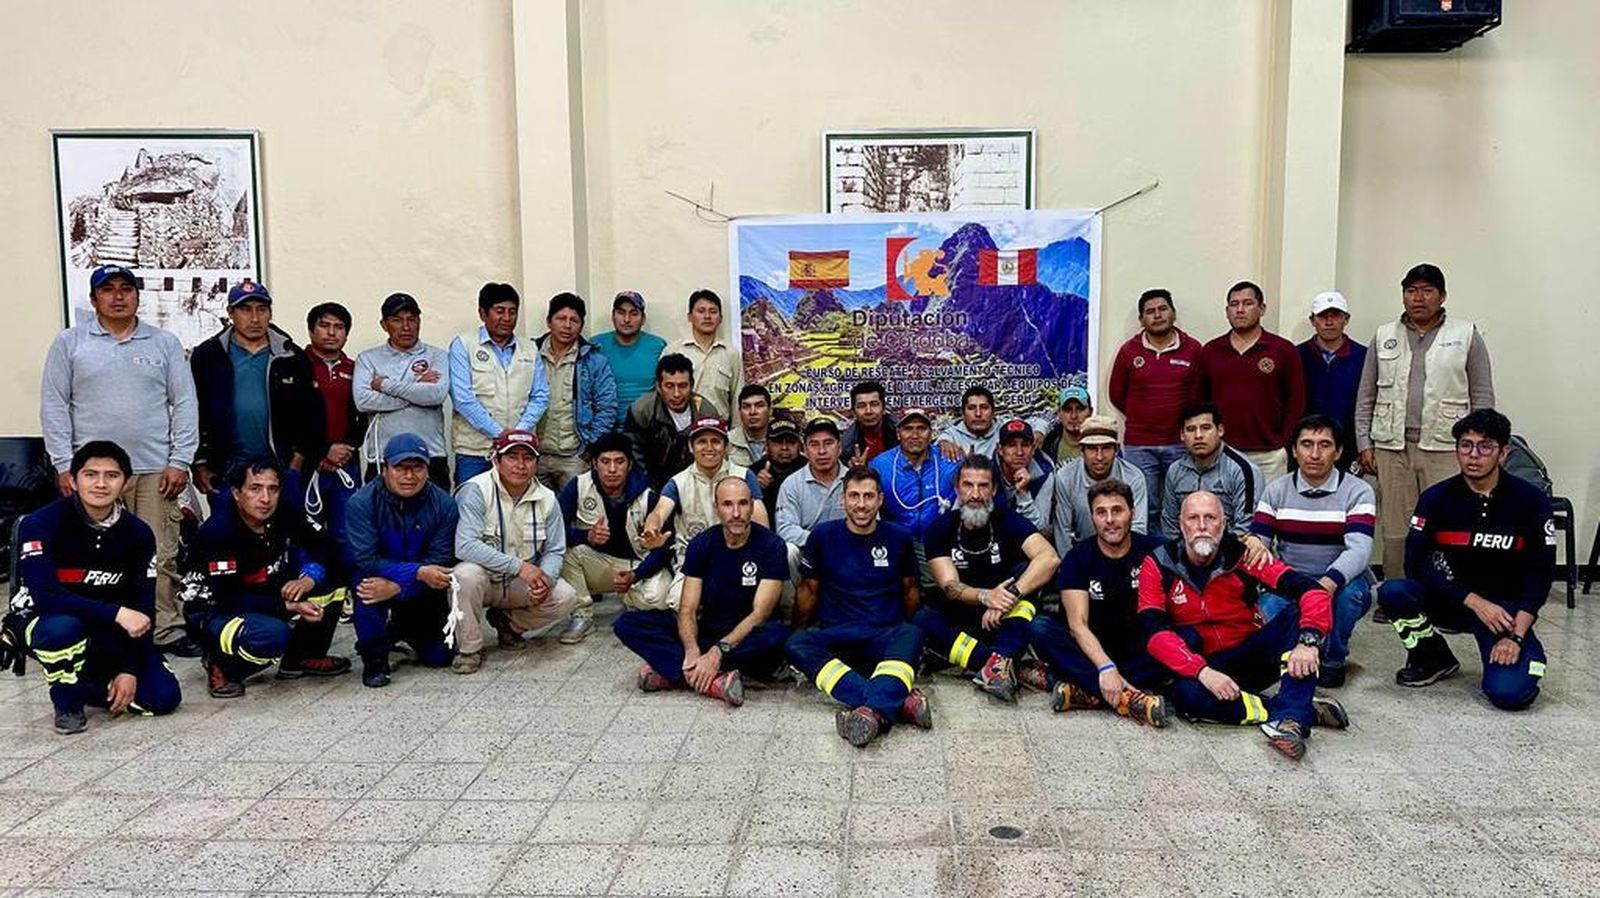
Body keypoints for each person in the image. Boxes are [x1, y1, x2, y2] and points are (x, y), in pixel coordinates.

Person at [40, 263, 200, 657]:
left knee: (160, 553)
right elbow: (54, 405)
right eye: (107, 289)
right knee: (95, 555)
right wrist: (64, 464)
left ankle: (164, 629)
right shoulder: (69, 343)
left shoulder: (163, 343)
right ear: (94, 299)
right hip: (93, 475)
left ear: (137, 296)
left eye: (125, 288)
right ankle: (101, 626)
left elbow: (184, 402)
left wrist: (180, 460)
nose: (117, 296)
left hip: (154, 470)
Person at [1137, 491, 1349, 760]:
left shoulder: (1246, 555)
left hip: (1253, 654)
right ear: (1181, 524)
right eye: (1193, 518)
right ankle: (1293, 708)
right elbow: (1154, 634)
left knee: (1298, 614)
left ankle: (1293, 721)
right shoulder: (1158, 563)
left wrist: (1308, 642)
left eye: (1210, 518)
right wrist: (1202, 671)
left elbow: (1313, 592)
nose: (1202, 526)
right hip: (1207, 666)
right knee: (1183, 696)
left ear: (1223, 523)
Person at [1375, 409, 1552, 711]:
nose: (1474, 455)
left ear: (1503, 453)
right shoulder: (1435, 498)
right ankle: (1432, 655)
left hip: (1504, 613)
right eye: (1465, 446)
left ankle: (1527, 658)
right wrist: (1471, 600)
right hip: (1453, 599)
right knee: (1393, 592)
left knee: (1509, 694)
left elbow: (1541, 574)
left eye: (1485, 447)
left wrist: (1517, 637)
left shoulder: (1531, 501)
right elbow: (1416, 563)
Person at [16, 441, 181, 733]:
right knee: (61, 630)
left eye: (112, 476)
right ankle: (67, 703)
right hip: (50, 622)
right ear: (73, 480)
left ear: (125, 482)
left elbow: (142, 609)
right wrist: (117, 613)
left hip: (108, 633)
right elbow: (46, 597)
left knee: (163, 698)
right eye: (91, 474)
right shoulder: (39, 523)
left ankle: (91, 684)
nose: (101, 484)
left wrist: (128, 669)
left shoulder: (139, 534)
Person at [1354, 263, 1495, 580]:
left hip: (1445, 448)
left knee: (1447, 524)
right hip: (1392, 447)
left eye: (1427, 290)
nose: (1418, 298)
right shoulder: (1384, 336)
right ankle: (1397, 595)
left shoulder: (1465, 335)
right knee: (1395, 527)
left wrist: (1478, 448)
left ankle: (1447, 597)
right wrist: (1365, 443)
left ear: (1442, 296)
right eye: (1411, 291)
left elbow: (1482, 395)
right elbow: (1366, 396)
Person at [786, 467, 931, 747]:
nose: (861, 504)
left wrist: (907, 635)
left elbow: (911, 589)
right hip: (838, 636)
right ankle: (895, 702)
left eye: (868, 496)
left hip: (884, 635)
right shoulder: (823, 536)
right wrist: (799, 632)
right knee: (795, 644)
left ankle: (867, 710)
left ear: (880, 500)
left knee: (912, 634)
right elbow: (808, 590)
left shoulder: (899, 537)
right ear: (843, 500)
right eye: (854, 496)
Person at [615, 477, 792, 706]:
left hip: (748, 634)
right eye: (728, 505)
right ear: (716, 508)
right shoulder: (702, 543)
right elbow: (687, 608)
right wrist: (691, 650)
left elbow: (760, 613)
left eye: (743, 504)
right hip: (709, 629)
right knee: (628, 623)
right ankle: (712, 681)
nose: (736, 513)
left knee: (777, 637)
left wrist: (718, 652)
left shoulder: (772, 545)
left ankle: (674, 673)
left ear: (752, 506)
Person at [185, 458, 349, 698]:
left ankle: (303, 657)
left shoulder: (283, 512)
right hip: (216, 608)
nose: (265, 498)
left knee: (336, 575)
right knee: (274, 634)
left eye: (273, 489)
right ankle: (222, 665)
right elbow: (228, 597)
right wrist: (288, 605)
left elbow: (329, 548)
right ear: (236, 493)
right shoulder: (219, 531)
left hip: (265, 591)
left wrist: (309, 578)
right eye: (255, 488)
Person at [916, 456, 1060, 702]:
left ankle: (995, 665)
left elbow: (1049, 558)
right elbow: (950, 586)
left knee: (1027, 587)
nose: (975, 494)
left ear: (993, 489)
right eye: (968, 485)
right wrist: (986, 596)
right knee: (922, 619)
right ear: (957, 489)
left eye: (983, 486)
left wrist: (1009, 596)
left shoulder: (1008, 520)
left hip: (1004, 617)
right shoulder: (939, 529)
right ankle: (1001, 664)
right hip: (960, 615)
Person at [1028, 480, 1169, 726]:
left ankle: (1087, 692)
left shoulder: (1156, 550)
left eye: (1117, 510)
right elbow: (1078, 625)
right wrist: (1105, 667)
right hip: (1091, 650)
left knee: (1189, 638)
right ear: (1092, 517)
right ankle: (1129, 697)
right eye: (1101, 512)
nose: (1110, 520)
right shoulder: (1078, 557)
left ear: (1132, 514)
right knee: (1039, 628)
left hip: (1138, 648)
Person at [1250, 415, 1376, 688]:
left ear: (1339, 451)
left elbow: (1360, 551)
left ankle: (1332, 660)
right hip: (1289, 581)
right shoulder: (1276, 490)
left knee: (1348, 598)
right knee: (1266, 612)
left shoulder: (1358, 491)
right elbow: (1258, 545)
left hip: (1340, 583)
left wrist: (1324, 585)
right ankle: (1292, 653)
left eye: (1324, 445)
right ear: (1294, 450)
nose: (1315, 454)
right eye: (1306, 444)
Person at [450, 430, 578, 673]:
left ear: (536, 463)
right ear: (496, 459)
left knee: (565, 596)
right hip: (485, 579)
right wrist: (519, 567)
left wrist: (546, 580)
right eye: (512, 457)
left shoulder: (548, 498)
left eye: (528, 458)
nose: (520, 465)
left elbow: (555, 549)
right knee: (464, 575)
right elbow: (465, 545)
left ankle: (508, 624)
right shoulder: (475, 490)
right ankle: (469, 648)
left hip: (520, 583)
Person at [190, 279, 325, 505]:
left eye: (262, 310)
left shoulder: (291, 356)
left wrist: (297, 462)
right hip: (226, 468)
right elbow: (194, 412)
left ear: (270, 313)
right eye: (245, 309)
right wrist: (200, 463)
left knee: (284, 537)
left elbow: (313, 414)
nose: (255, 318)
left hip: (281, 467)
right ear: (230, 313)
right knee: (226, 536)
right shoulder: (208, 356)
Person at [345, 433, 458, 688]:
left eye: (417, 467)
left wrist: (400, 586)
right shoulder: (361, 503)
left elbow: (440, 561)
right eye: (400, 468)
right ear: (385, 468)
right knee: (366, 585)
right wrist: (416, 572)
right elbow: (366, 559)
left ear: (428, 469)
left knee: (441, 656)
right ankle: (374, 656)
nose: (410, 476)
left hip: (422, 585)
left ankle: (400, 629)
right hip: (378, 576)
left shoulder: (444, 504)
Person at [640, 417, 767, 608]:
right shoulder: (678, 481)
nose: (709, 448)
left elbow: (761, 522)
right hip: (694, 562)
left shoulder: (743, 476)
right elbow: (659, 512)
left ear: (726, 447)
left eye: (716, 441)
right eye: (701, 442)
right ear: (691, 447)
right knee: (677, 601)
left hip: (738, 556)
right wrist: (652, 530)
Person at [1108, 289, 1203, 529]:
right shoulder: (1129, 351)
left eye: (1162, 309)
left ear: (1173, 313)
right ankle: (1149, 559)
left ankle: (1179, 558)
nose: (1157, 315)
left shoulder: (1193, 349)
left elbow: (1199, 395)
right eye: (1150, 312)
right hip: (1140, 444)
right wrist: (1144, 414)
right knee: (1144, 507)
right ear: (1142, 320)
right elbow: (1117, 394)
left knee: (1183, 505)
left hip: (1180, 443)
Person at [558, 432, 673, 629]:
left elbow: (665, 547)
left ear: (629, 464)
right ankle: (581, 614)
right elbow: (554, 532)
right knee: (567, 553)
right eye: (605, 461)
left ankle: (630, 599)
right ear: (594, 463)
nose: (612, 469)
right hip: (598, 563)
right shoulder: (579, 485)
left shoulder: (648, 492)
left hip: (638, 564)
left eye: (619, 462)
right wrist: (587, 536)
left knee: (659, 599)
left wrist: (636, 574)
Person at [1198, 281, 1305, 481]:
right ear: (1227, 310)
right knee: (1220, 510)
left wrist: (1284, 442)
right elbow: (1200, 401)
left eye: (1247, 303)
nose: (1240, 310)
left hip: (1269, 454)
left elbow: (1296, 401)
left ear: (1262, 308)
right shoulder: (1211, 351)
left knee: (1268, 510)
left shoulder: (1282, 350)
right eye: (1234, 304)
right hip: (1221, 452)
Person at [449, 282, 550, 486]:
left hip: (518, 452)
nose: (507, 318)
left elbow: (540, 396)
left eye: (512, 312)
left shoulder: (529, 349)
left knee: (515, 511)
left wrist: (518, 434)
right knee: (472, 507)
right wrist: (499, 434)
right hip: (475, 451)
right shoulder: (463, 346)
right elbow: (463, 399)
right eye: (499, 311)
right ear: (482, 313)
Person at [354, 292, 450, 487]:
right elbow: (363, 400)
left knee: (434, 517)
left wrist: (384, 385)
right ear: (384, 325)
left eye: (411, 320)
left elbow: (436, 394)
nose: (406, 327)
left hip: (432, 456)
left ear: (419, 322)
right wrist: (415, 388)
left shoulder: (437, 356)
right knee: (381, 517)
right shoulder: (368, 358)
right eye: (397, 320)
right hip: (382, 458)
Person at [532, 292, 619, 491]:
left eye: (574, 320)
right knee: (536, 516)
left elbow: (607, 408)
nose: (567, 325)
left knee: (577, 516)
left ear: (581, 325)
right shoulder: (529, 355)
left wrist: (590, 448)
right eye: (561, 319)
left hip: (575, 457)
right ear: (548, 322)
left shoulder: (594, 360)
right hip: (535, 455)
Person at [303, 301, 368, 565]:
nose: (332, 333)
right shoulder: (295, 365)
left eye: (339, 327)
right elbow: (290, 418)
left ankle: (349, 595)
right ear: (311, 331)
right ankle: (310, 596)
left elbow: (364, 415)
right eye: (324, 326)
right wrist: (320, 451)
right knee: (308, 534)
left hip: (346, 465)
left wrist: (344, 449)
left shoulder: (357, 369)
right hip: (309, 465)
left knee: (348, 535)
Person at [869, 408, 960, 586]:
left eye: (921, 428)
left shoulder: (949, 462)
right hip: (896, 542)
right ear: (898, 434)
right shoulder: (880, 465)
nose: (915, 434)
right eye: (908, 428)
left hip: (938, 542)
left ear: (931, 433)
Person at [1160, 402, 1264, 537]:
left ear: (1220, 430)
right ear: (1182, 435)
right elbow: (1170, 524)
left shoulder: (1243, 470)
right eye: (1191, 429)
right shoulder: (1175, 471)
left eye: (1205, 428)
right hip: (1186, 551)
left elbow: (1246, 528)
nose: (1198, 436)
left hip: (1232, 550)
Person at [1049, 415, 1149, 551]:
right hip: (1082, 553)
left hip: (1124, 553)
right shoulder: (1065, 477)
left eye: (1106, 448)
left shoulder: (1134, 477)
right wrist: (1071, 567)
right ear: (1081, 450)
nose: (1099, 457)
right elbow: (1063, 531)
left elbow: (1138, 529)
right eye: (1092, 448)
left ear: (1117, 449)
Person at [623, 353, 723, 488]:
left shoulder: (706, 412)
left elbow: (714, 457)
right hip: (652, 482)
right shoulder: (642, 411)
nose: (676, 394)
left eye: (683, 386)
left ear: (692, 385)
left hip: (696, 483)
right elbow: (635, 457)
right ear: (658, 387)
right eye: (669, 386)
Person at [1298, 292, 1366, 472]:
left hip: (1349, 446)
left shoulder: (1364, 356)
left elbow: (1369, 403)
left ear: (1346, 319)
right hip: (1307, 446)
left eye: (1335, 315)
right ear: (1312, 320)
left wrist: (1365, 445)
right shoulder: (1296, 355)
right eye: (1322, 316)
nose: (1329, 322)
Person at [775, 418, 847, 571]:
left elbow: (874, 523)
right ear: (805, 450)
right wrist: (822, 540)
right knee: (788, 551)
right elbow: (785, 529)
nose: (822, 451)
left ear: (839, 447)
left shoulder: (855, 480)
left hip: (847, 550)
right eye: (814, 445)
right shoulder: (791, 484)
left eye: (828, 443)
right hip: (807, 553)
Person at [591, 290, 667, 412]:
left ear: (643, 319)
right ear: (613, 316)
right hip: (605, 424)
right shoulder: (596, 345)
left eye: (634, 313)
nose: (626, 319)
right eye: (621, 313)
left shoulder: (658, 346)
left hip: (646, 425)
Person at [675, 288, 742, 420]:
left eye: (713, 312)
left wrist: (734, 436)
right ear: (690, 317)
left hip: (720, 431)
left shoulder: (731, 354)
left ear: (720, 318)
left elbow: (736, 399)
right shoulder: (674, 352)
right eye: (701, 311)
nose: (707, 316)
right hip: (683, 431)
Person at [994, 419, 1054, 531]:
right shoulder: (988, 470)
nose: (1019, 452)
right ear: (1000, 450)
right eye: (1012, 445)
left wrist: (1023, 494)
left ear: (1032, 449)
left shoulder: (1044, 473)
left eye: (1025, 445)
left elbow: (1040, 527)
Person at [749, 419, 805, 523]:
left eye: (791, 442)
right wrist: (756, 488)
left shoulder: (809, 469)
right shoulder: (753, 472)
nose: (784, 448)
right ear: (766, 445)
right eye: (778, 442)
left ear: (799, 446)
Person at [841, 380, 897, 466]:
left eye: (874, 404)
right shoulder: (846, 445)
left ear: (884, 409)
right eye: (861, 406)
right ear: (853, 413)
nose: (868, 411)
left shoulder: (900, 433)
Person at [937, 386, 1000, 459]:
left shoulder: (1004, 431)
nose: (978, 414)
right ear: (963, 413)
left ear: (993, 412)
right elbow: (942, 442)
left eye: (984, 407)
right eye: (971, 408)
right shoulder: (952, 436)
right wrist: (942, 444)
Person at [1040, 386, 1092, 466]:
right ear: (1058, 413)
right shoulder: (1046, 444)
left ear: (1090, 412)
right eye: (1067, 409)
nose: (1074, 416)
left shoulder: (1104, 443)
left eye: (1080, 409)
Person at [729, 385, 774, 466]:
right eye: (746, 407)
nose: (752, 412)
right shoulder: (728, 442)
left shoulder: (781, 441)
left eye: (759, 406)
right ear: (739, 411)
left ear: (770, 410)